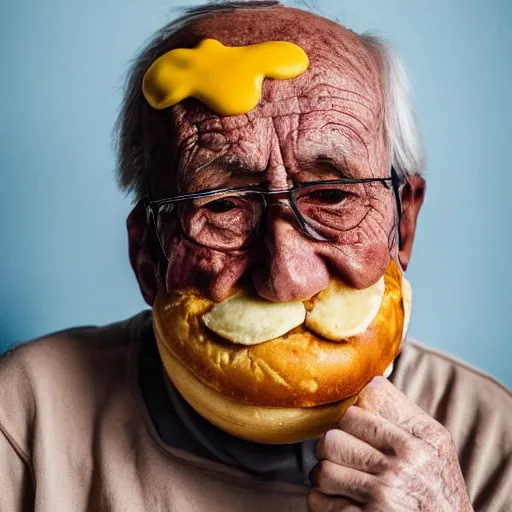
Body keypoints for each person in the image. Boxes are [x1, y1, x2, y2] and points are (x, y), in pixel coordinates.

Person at [1, 2, 511, 511]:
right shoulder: (25, 418)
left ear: (403, 223)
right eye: (221, 205)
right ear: (148, 256)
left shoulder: (493, 443)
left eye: (332, 196)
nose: (287, 276)